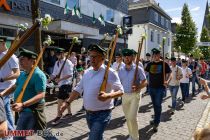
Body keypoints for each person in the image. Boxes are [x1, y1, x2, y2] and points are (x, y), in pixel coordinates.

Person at [60, 44, 124, 140]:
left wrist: (108, 95)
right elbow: (78, 89)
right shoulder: (87, 72)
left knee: (93, 138)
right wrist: (67, 103)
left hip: (103, 114)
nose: (92, 59)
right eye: (91, 56)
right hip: (88, 114)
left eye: (95, 56)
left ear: (102, 58)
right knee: (97, 137)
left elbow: (121, 91)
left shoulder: (110, 72)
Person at [0, 48, 47, 140]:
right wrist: (2, 93)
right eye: (19, 59)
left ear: (32, 60)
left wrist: (23, 104)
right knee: (40, 132)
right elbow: (14, 87)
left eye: (22, 59)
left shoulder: (38, 75)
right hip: (22, 109)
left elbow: (41, 95)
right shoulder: (22, 74)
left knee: (18, 137)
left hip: (30, 111)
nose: (19, 61)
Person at [118, 49, 147, 140]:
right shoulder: (120, 69)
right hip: (124, 95)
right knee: (128, 118)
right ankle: (131, 134)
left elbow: (145, 82)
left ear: (132, 57)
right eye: (125, 56)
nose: (126, 58)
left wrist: (138, 87)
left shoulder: (138, 68)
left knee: (132, 117)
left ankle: (135, 137)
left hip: (135, 95)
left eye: (128, 56)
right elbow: (118, 82)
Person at [145, 48, 172, 132]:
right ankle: (156, 119)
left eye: (157, 55)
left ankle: (156, 122)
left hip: (160, 88)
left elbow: (170, 74)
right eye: (154, 55)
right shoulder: (150, 64)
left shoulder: (164, 64)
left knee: (158, 105)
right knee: (155, 105)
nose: (155, 56)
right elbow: (144, 73)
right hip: (151, 87)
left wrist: (167, 81)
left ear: (159, 55)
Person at [0, 37, 20, 132]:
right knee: (4, 110)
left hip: (7, 88)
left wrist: (3, 79)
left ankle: (10, 132)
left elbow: (17, 74)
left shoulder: (10, 56)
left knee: (5, 110)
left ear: (3, 43)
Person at [50, 48, 74, 125]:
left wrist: (60, 79)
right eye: (57, 54)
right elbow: (54, 73)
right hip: (61, 84)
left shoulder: (68, 62)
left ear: (63, 54)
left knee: (60, 100)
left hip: (66, 83)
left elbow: (70, 74)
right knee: (66, 99)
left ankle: (58, 116)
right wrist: (49, 79)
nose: (58, 55)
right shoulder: (57, 62)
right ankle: (69, 113)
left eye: (59, 54)